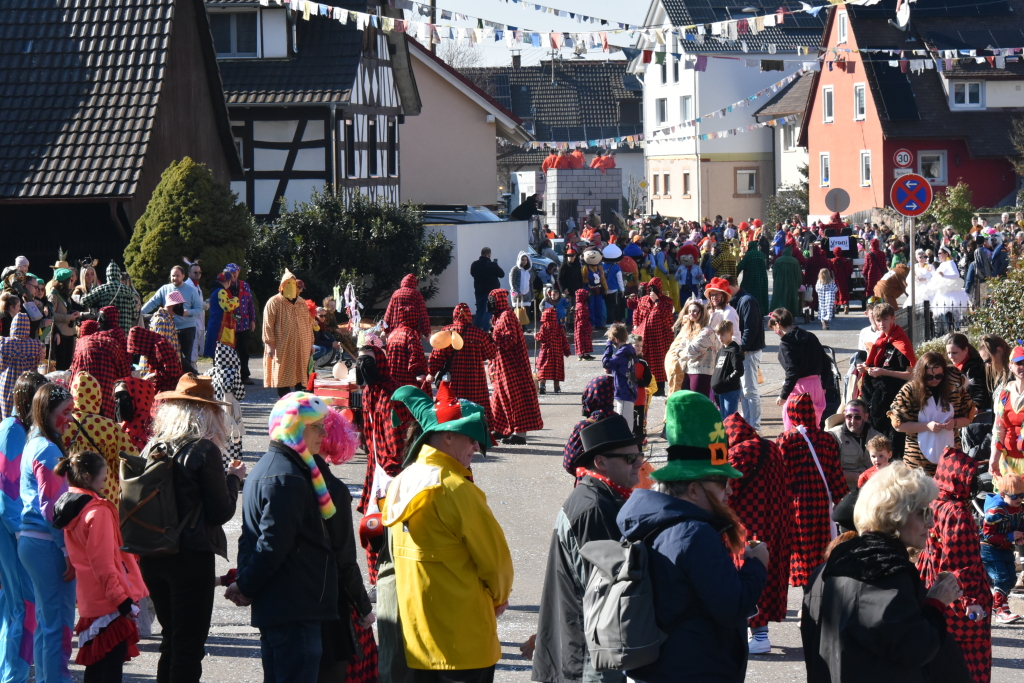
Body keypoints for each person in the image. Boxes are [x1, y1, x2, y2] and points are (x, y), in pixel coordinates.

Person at [617, 391, 769, 683]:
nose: (729, 490)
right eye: (721, 481)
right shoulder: (694, 533)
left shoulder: (656, 520)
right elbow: (731, 606)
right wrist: (756, 566)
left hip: (660, 667)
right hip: (691, 668)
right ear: (694, 490)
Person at [380, 385, 514, 683]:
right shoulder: (454, 488)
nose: (477, 446)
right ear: (448, 436)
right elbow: (496, 562)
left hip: (418, 639)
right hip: (463, 640)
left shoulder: (402, 480)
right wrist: (499, 597)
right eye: (471, 437)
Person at [801, 462, 967, 682]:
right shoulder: (884, 572)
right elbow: (915, 649)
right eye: (923, 513)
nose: (931, 523)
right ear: (895, 514)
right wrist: (936, 603)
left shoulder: (824, 571)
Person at [228, 393, 339, 683]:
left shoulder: (270, 467)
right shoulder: (287, 477)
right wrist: (246, 585)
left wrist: (245, 581)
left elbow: (249, 539)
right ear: (296, 428)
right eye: (318, 426)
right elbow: (270, 545)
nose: (324, 433)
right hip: (293, 607)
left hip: (284, 606)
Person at [141, 374, 245, 683]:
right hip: (189, 556)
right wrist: (233, 479)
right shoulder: (203, 451)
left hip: (152, 552)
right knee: (188, 647)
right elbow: (221, 510)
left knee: (171, 640)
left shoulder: (153, 446)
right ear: (207, 413)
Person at [533, 414, 640, 683]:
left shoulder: (597, 496)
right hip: (588, 657)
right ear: (600, 462)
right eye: (629, 458)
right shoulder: (594, 508)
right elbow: (608, 592)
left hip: (583, 648)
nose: (640, 463)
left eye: (640, 454)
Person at [52, 451, 148, 682]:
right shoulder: (97, 511)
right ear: (87, 477)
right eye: (103, 477)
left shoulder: (71, 507)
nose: (106, 481)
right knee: (110, 671)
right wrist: (122, 601)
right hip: (109, 601)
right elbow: (104, 563)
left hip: (90, 599)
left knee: (96, 669)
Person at [917, 448, 993, 681]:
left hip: (932, 587)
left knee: (939, 658)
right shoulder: (956, 511)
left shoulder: (933, 502)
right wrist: (972, 600)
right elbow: (961, 560)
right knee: (969, 663)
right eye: (969, 476)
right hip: (959, 598)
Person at [19, 382, 76, 683]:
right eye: (65, 412)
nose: (69, 419)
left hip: (32, 542)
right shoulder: (47, 447)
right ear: (46, 412)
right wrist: (67, 551)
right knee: (58, 626)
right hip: (46, 544)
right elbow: (53, 508)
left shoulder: (34, 441)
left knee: (47, 623)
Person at [724, 413, 792, 654]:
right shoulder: (772, 447)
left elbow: (726, 488)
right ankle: (760, 633)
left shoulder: (739, 453)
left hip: (750, 523)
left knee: (748, 576)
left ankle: (758, 634)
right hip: (779, 522)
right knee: (771, 576)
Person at [0, 371, 47, 683]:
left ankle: (11, 671)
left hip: (11, 528)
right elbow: (7, 492)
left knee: (13, 606)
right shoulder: (14, 430)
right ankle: (13, 675)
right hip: (10, 530)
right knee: (23, 607)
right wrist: (22, 531)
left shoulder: (14, 427)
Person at [776, 393, 849, 588]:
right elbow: (835, 472)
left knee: (802, 546)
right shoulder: (827, 439)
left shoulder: (786, 439)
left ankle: (805, 583)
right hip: (823, 502)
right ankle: (821, 584)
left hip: (797, 502)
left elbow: (780, 474)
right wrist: (841, 497)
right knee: (822, 545)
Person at [891, 351, 975, 476]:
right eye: (929, 377)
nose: (934, 380)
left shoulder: (955, 389)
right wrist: (927, 426)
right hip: (918, 461)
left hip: (950, 458)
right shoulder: (909, 391)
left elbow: (968, 417)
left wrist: (955, 422)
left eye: (939, 376)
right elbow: (898, 425)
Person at [62, 371, 139, 503]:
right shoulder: (110, 427)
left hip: (69, 493)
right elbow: (132, 459)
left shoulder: (64, 423)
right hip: (106, 494)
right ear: (97, 395)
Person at [858, 302, 916, 458]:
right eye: (878, 320)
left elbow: (910, 375)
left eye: (885, 319)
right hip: (878, 396)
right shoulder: (881, 341)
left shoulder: (900, 342)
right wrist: (866, 368)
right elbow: (876, 365)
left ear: (893, 319)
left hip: (894, 397)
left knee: (893, 441)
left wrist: (883, 372)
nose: (881, 324)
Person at [488, 289, 543, 445]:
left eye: (492, 299)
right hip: (501, 364)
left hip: (512, 365)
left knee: (514, 398)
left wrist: (493, 337)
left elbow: (510, 339)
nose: (489, 303)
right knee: (498, 397)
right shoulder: (499, 316)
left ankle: (520, 433)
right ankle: (501, 427)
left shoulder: (507, 315)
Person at [427, 304, 497, 427]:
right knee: (475, 407)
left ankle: (453, 434)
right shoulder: (479, 334)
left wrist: (431, 372)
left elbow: (437, 357)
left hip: (453, 380)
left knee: (454, 408)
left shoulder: (446, 333)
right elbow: (491, 354)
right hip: (475, 381)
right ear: (470, 316)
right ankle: (478, 437)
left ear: (454, 315)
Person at [141, 266, 205, 376]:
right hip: (170, 328)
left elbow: (200, 309)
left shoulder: (191, 291)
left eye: (177, 276)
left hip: (187, 328)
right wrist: (140, 314)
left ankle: (187, 380)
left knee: (186, 357)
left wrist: (187, 312)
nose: (175, 278)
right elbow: (152, 302)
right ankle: (176, 379)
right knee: (172, 356)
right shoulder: (165, 289)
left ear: (183, 276)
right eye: (173, 276)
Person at [769, 308, 827, 430]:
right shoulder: (811, 337)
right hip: (816, 386)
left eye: (773, 328)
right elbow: (826, 363)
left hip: (799, 389)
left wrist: (783, 395)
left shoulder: (786, 344)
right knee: (814, 428)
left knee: (794, 430)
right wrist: (824, 385)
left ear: (778, 325)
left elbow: (792, 372)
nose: (775, 331)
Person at [980, 471, 1024, 624]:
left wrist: (1020, 536)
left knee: (1011, 579)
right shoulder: (995, 512)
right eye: (1014, 496)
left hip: (1006, 549)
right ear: (1003, 494)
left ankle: (992, 603)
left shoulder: (1019, 509)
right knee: (1002, 578)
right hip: (989, 549)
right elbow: (987, 535)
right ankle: (1001, 610)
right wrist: (1011, 537)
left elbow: (1020, 525)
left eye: (1021, 495)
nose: (1018, 499)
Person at [263, 269, 314, 397]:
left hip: (302, 346)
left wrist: (311, 343)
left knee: (301, 375)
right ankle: (284, 404)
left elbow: (308, 324)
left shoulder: (302, 302)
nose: (290, 286)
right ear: (282, 285)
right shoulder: (274, 302)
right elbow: (268, 324)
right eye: (287, 283)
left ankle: (299, 405)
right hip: (282, 346)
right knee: (282, 375)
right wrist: (269, 344)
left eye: (292, 283)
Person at [562, 375, 616, 478]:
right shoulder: (621, 421)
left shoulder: (584, 426)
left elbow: (569, 463)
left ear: (590, 395)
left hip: (590, 485)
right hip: (616, 486)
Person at [628, 278, 674, 395]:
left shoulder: (666, 301)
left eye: (655, 289)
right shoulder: (642, 300)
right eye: (650, 288)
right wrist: (635, 335)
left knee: (659, 364)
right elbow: (636, 318)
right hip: (644, 339)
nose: (652, 291)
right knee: (644, 362)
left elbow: (668, 318)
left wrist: (657, 302)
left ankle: (659, 388)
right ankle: (645, 386)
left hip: (660, 339)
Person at [826, 398, 881, 490]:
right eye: (849, 416)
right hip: (844, 492)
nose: (852, 421)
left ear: (866, 417)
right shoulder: (833, 437)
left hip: (872, 490)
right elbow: (829, 470)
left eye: (857, 417)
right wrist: (860, 476)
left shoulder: (877, 437)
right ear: (844, 416)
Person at [0, 312, 45, 419]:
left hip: (7, 384)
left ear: (13, 325)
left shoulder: (3, 342)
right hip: (27, 384)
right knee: (25, 415)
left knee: (6, 416)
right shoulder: (36, 344)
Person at [672, 299, 720, 398]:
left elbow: (692, 351)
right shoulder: (689, 331)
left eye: (694, 311)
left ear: (702, 312)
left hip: (701, 373)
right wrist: (683, 350)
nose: (691, 314)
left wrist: (683, 351)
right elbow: (678, 348)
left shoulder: (708, 331)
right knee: (687, 403)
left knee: (697, 403)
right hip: (688, 370)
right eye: (689, 311)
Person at [79, 262, 138, 337]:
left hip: (107, 331)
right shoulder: (128, 290)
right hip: (124, 332)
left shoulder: (103, 288)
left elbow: (83, 301)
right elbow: (134, 314)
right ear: (118, 274)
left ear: (107, 275)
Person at [127, 326, 183, 393]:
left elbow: (173, 371)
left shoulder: (160, 345)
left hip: (169, 389)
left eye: (138, 350)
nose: (140, 353)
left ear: (143, 342)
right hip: (160, 388)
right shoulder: (152, 345)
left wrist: (155, 376)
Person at [385, 300, 428, 389]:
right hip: (408, 379)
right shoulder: (410, 334)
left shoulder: (393, 333)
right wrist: (419, 372)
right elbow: (414, 356)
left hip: (393, 378)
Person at [47, 268, 80, 371]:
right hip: (60, 334)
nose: (71, 282)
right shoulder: (53, 295)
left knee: (68, 365)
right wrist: (68, 318)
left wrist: (74, 313)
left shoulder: (65, 295)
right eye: (69, 280)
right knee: (61, 366)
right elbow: (51, 315)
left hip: (70, 333)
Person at [602, 323, 637, 418]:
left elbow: (606, 363)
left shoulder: (623, 351)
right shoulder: (629, 349)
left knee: (624, 423)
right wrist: (612, 370)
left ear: (616, 339)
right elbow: (621, 366)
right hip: (629, 390)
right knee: (626, 422)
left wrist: (608, 346)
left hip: (624, 392)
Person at [947, 333, 989, 412]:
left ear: (965, 350)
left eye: (954, 353)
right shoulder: (958, 367)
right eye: (949, 353)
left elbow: (978, 390)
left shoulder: (973, 368)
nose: (951, 357)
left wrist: (975, 408)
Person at [203, 269, 240, 359]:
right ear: (228, 281)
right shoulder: (221, 291)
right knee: (220, 353)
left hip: (214, 323)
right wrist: (236, 300)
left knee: (217, 354)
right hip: (219, 325)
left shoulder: (215, 291)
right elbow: (227, 306)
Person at [711, 319, 744, 419]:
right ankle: (724, 435)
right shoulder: (721, 350)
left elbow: (738, 371)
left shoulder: (734, 350)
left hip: (730, 390)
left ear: (731, 333)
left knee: (729, 418)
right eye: (718, 335)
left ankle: (729, 435)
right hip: (720, 390)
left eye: (723, 335)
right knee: (722, 418)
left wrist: (726, 381)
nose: (720, 337)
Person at [536, 308, 569, 395]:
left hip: (546, 351)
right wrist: (567, 351)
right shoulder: (559, 327)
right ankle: (556, 387)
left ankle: (542, 385)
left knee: (543, 367)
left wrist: (535, 336)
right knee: (556, 368)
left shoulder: (544, 327)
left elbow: (541, 337)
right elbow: (564, 340)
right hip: (557, 351)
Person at [768, 246, 801, 319]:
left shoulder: (778, 260)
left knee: (779, 298)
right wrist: (799, 283)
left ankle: (777, 313)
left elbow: (774, 273)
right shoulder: (795, 261)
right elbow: (798, 273)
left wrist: (776, 281)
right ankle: (791, 314)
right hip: (791, 283)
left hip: (779, 283)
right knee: (790, 298)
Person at [736, 242, 769, 315]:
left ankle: (750, 311)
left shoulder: (748, 255)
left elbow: (740, 266)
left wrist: (735, 275)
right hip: (761, 279)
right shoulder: (761, 254)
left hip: (750, 279)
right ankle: (760, 312)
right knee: (759, 296)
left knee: (748, 295)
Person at [509, 251, 535, 318]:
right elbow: (512, 281)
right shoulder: (515, 269)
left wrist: (532, 294)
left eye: (526, 260)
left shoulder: (529, 270)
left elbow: (530, 283)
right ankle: (517, 326)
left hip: (527, 294)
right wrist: (517, 291)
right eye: (522, 260)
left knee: (526, 312)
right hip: (518, 294)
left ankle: (524, 327)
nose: (524, 261)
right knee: (517, 312)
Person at [830, 246, 853, 314]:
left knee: (836, 294)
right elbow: (850, 270)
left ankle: (837, 309)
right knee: (844, 293)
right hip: (844, 279)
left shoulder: (833, 261)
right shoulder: (846, 260)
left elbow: (831, 271)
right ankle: (846, 305)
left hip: (836, 280)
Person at [573, 289, 594, 361]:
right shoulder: (582, 306)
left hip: (579, 325)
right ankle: (584, 354)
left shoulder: (579, 304)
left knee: (580, 340)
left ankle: (582, 354)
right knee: (584, 339)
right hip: (583, 326)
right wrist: (588, 326)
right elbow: (582, 317)